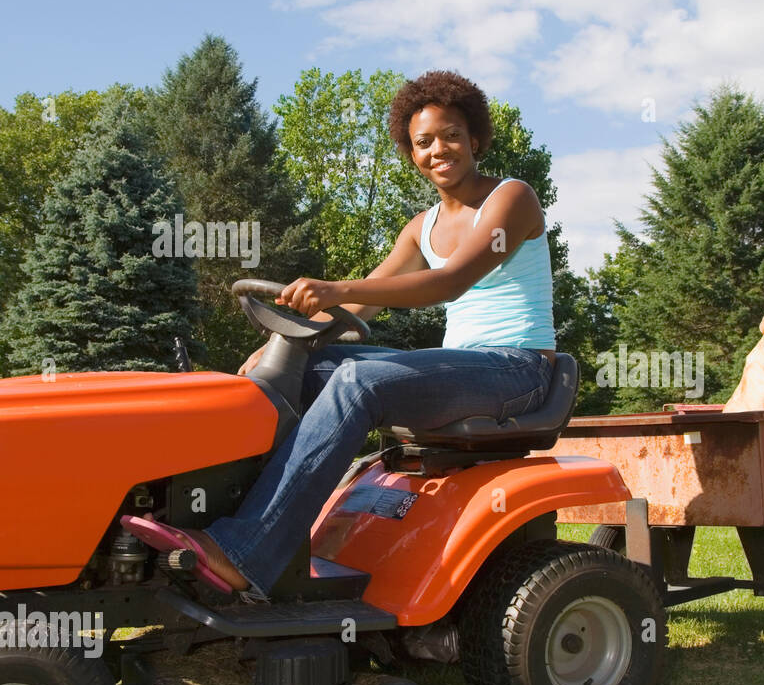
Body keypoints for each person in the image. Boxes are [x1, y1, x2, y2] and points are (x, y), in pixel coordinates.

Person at [125, 70, 556, 600]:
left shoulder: (512, 199)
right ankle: (227, 529)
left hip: (518, 369)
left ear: (475, 138)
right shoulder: (420, 227)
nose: (438, 149)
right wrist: (286, 340)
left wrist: (332, 288)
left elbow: (450, 282)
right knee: (292, 370)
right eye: (423, 142)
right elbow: (366, 298)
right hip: (465, 368)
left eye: (451, 135)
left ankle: (244, 552)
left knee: (360, 381)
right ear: (409, 151)